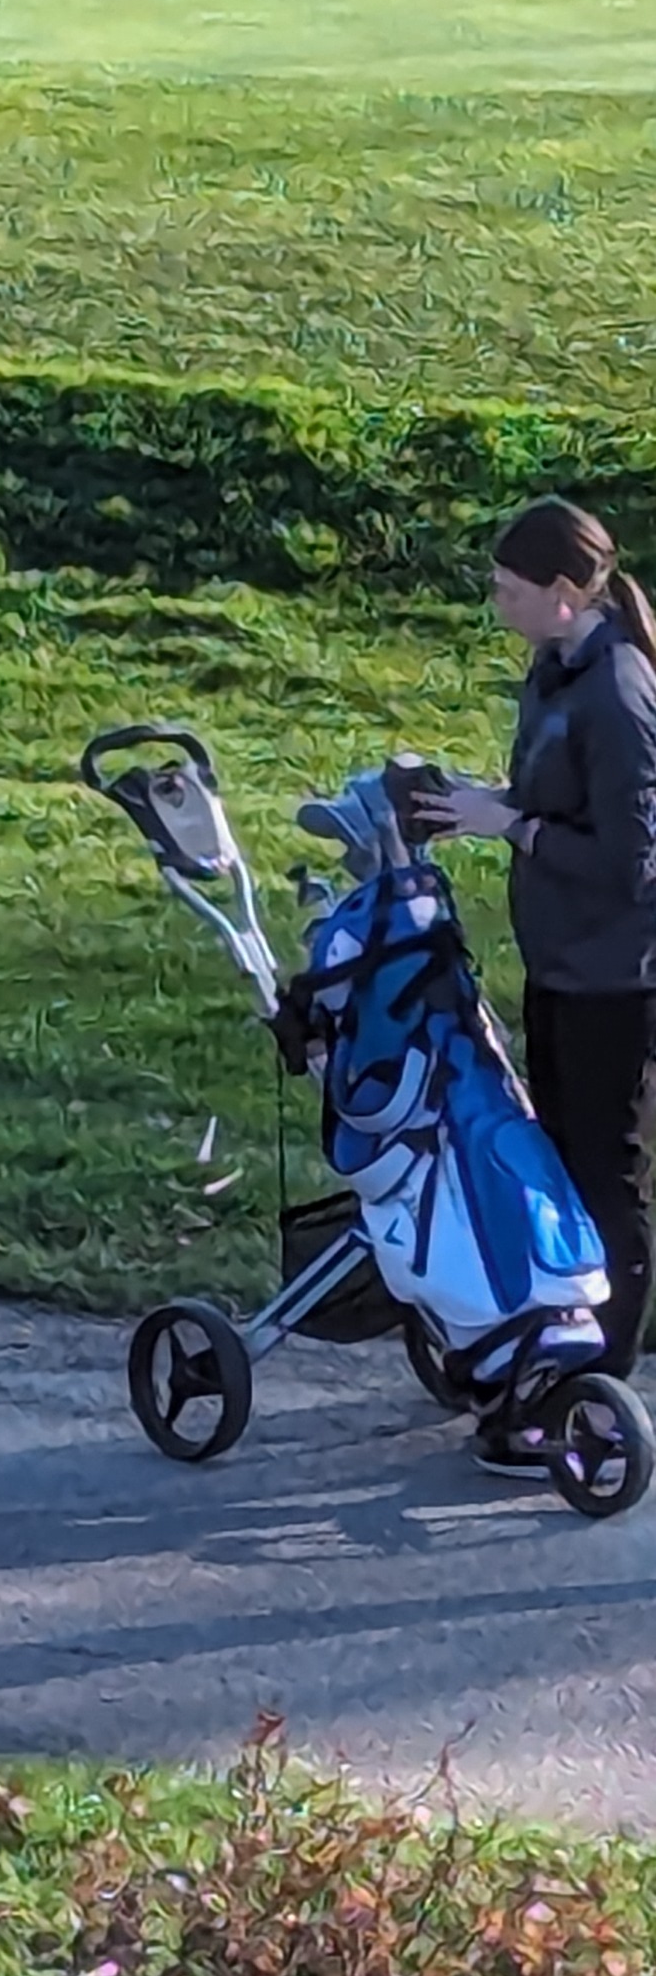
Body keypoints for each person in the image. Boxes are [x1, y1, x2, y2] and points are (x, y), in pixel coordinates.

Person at [416, 498, 656, 1442]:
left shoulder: (619, 694)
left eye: (509, 590)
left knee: (606, 1176)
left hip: (618, 976)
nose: (496, 603)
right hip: (562, 962)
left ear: (564, 595)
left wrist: (511, 827)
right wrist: (486, 802)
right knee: (557, 1159)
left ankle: (606, 1380)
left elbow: (631, 863)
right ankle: (557, 1350)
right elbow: (554, 799)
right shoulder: (553, 673)